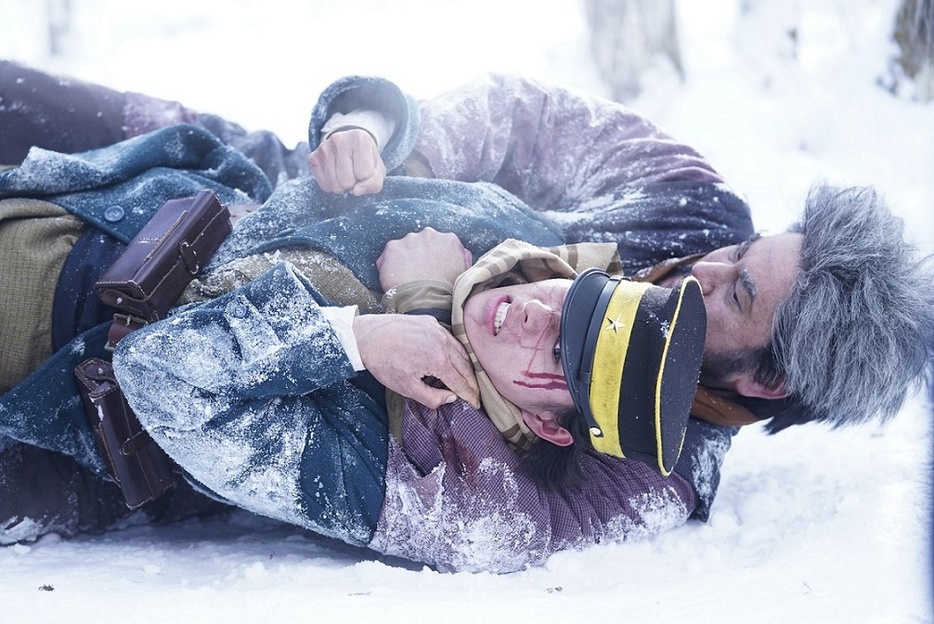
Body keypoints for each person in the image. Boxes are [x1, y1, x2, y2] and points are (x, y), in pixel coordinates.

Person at [1, 63, 931, 570]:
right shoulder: (695, 214)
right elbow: (524, 118)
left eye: (738, 293)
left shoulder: (648, 473)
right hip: (231, 193)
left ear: (767, 380)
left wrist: (412, 310)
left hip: (118, 389)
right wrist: (378, 143)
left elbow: (484, 518)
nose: (703, 269)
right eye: (745, 249)